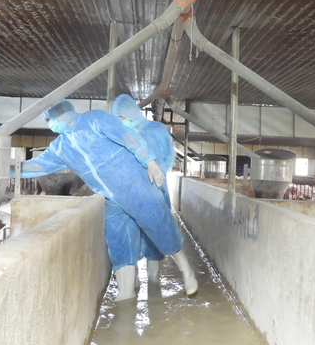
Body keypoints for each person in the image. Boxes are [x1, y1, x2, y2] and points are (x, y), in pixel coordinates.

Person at [14, 100, 197, 301]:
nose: (50, 124)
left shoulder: (95, 119)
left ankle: (187, 273)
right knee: (119, 242)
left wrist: (150, 161)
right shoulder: (61, 146)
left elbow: (128, 137)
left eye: (50, 119)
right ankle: (126, 292)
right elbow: (39, 166)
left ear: (64, 114)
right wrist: (7, 168)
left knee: (160, 227)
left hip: (136, 186)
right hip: (111, 197)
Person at [112, 94, 175, 284]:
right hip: (130, 195)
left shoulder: (157, 129)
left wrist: (153, 173)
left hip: (155, 191)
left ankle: (153, 280)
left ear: (132, 112)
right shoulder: (123, 134)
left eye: (122, 116)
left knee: (155, 240)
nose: (121, 121)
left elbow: (168, 157)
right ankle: (135, 282)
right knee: (132, 236)